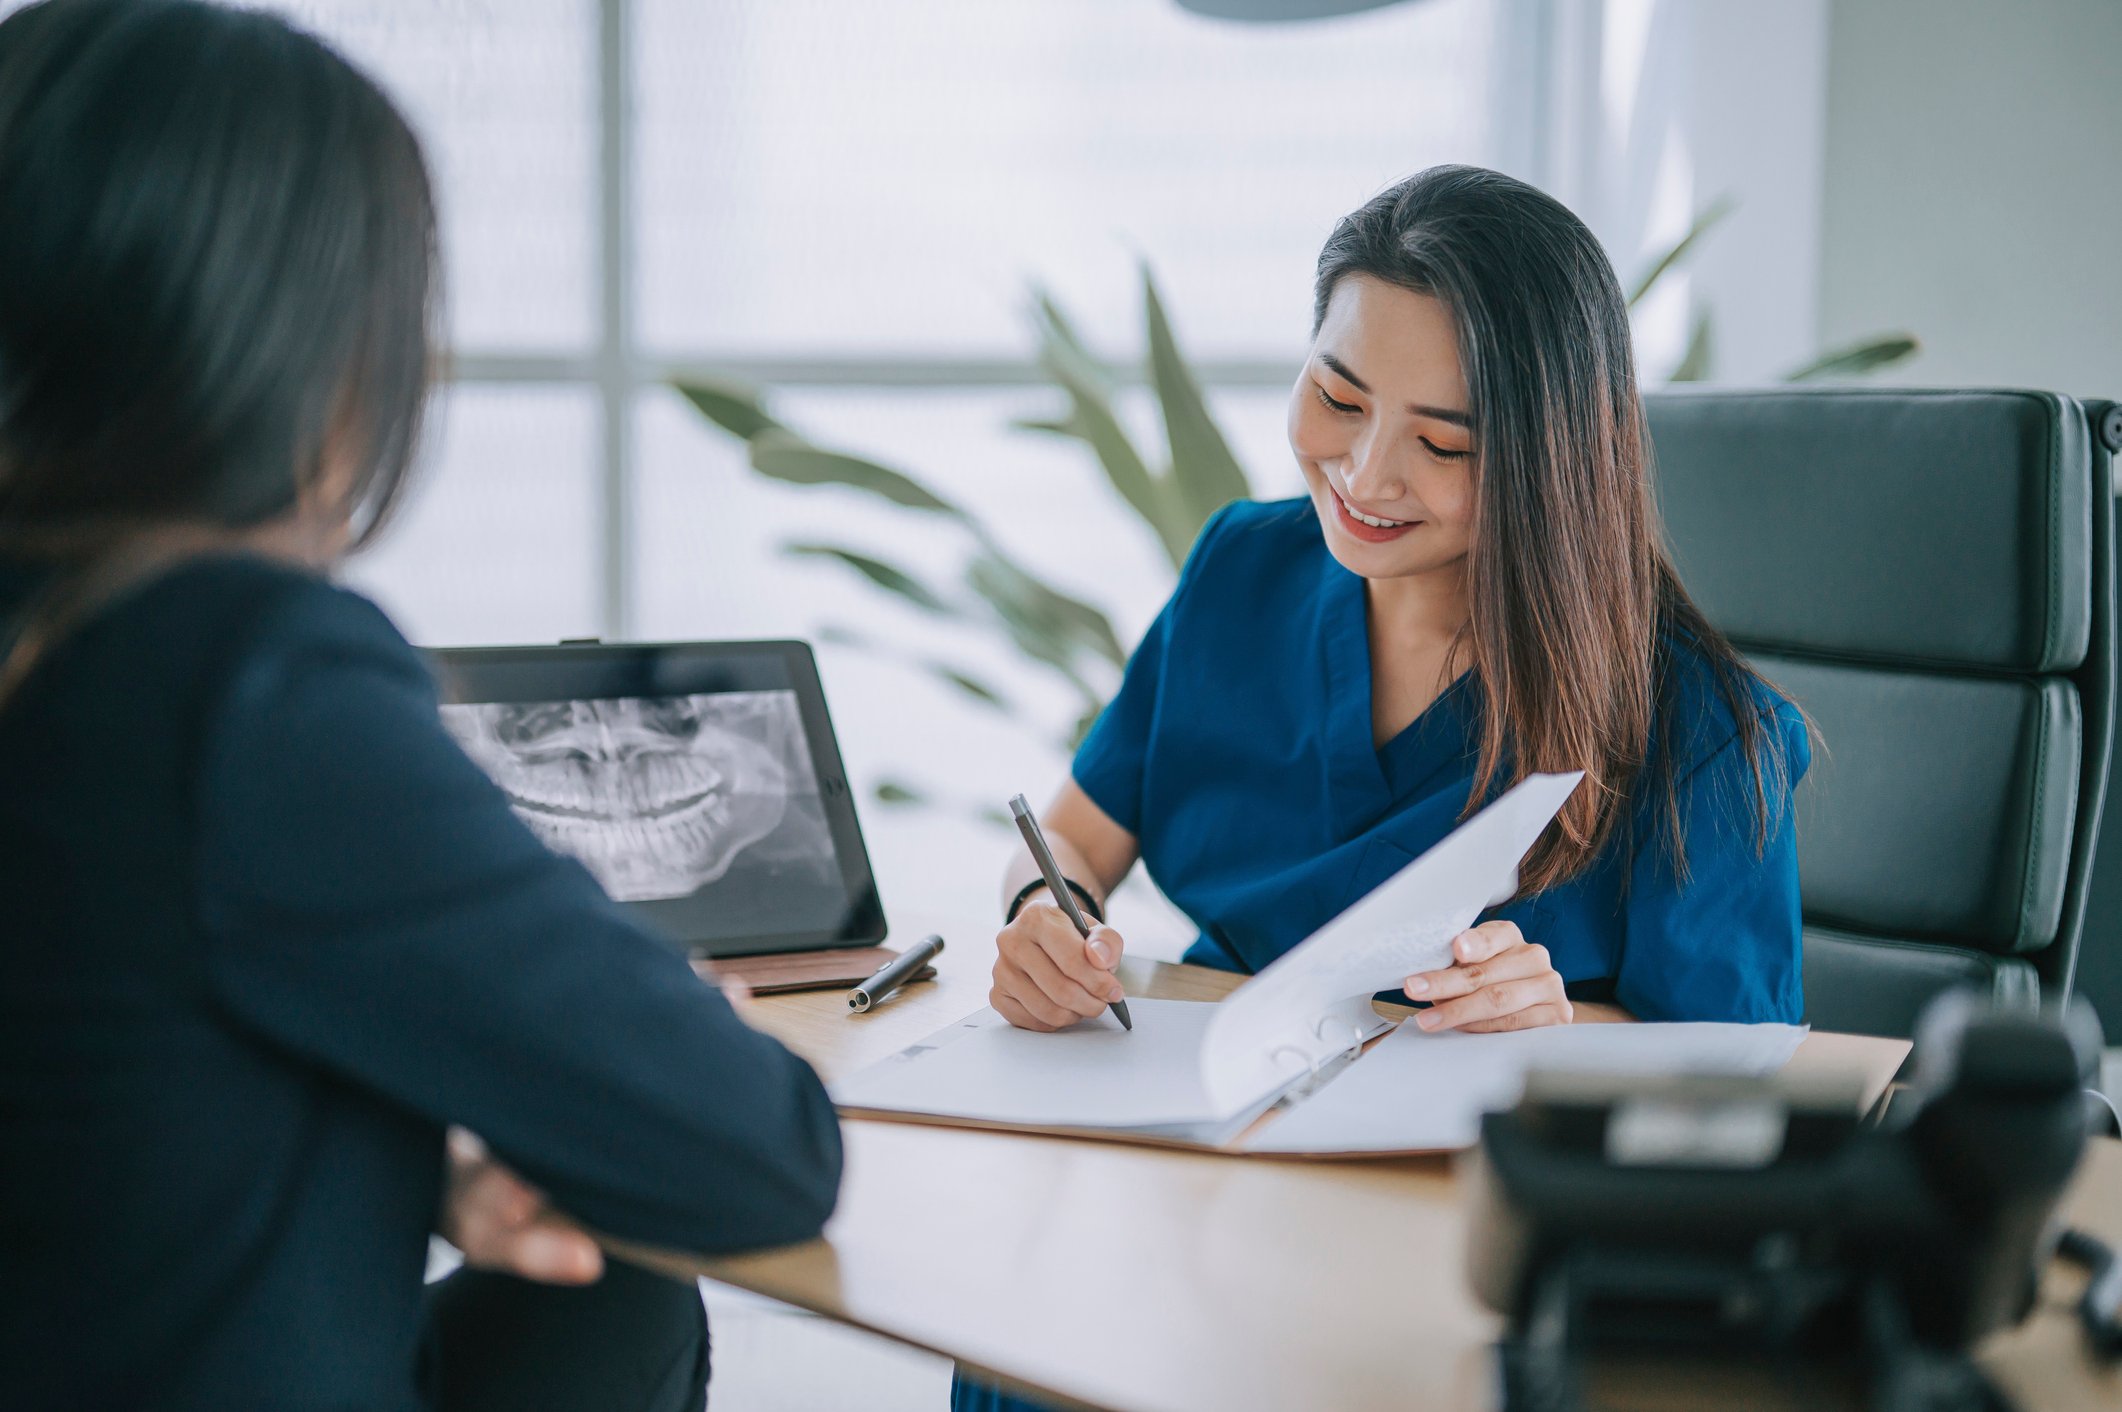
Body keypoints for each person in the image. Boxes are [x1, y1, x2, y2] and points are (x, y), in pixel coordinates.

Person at [0, 4, 839, 1409]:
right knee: (627, 1268)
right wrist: (690, 1055)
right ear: (302, 340)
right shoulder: (243, 675)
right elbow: (759, 1149)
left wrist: (426, 1169)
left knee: (597, 1286)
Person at [956, 165, 1811, 1410]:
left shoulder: (1695, 730)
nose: (1362, 471)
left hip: (1453, 1238)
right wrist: (1051, 917)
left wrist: (1559, 1023)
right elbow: (1072, 837)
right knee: (1021, 1345)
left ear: (1547, 455)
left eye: (1443, 442)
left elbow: (1730, 1076)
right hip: (1197, 1158)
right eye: (1335, 395)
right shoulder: (1242, 567)